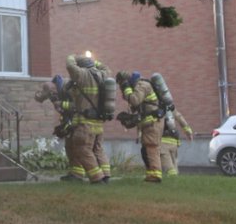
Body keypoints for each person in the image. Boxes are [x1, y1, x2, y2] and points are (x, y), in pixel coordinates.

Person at [64, 52, 112, 184]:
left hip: (85, 123)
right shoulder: (102, 74)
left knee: (83, 149)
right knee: (97, 149)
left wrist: (73, 56)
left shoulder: (82, 75)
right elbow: (107, 68)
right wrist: (92, 61)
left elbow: (70, 65)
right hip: (98, 123)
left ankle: (97, 178)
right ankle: (106, 175)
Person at [34, 75, 84, 182]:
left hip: (77, 121)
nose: (53, 96)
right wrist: (40, 96)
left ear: (56, 89)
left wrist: (61, 104)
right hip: (68, 121)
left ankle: (79, 174)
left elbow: (77, 106)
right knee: (69, 147)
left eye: (54, 94)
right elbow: (41, 98)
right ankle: (74, 173)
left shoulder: (67, 89)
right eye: (51, 95)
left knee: (75, 147)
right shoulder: (53, 89)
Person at [116, 70, 162, 182]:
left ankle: (155, 175)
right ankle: (151, 174)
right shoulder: (140, 85)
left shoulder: (142, 85)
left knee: (151, 146)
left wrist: (126, 87)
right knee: (146, 148)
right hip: (149, 121)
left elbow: (135, 100)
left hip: (152, 122)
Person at [158, 107, 194, 177]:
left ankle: (172, 178)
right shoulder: (170, 107)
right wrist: (188, 131)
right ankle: (175, 178)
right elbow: (180, 117)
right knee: (174, 164)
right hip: (174, 140)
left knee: (169, 166)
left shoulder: (155, 107)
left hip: (162, 142)